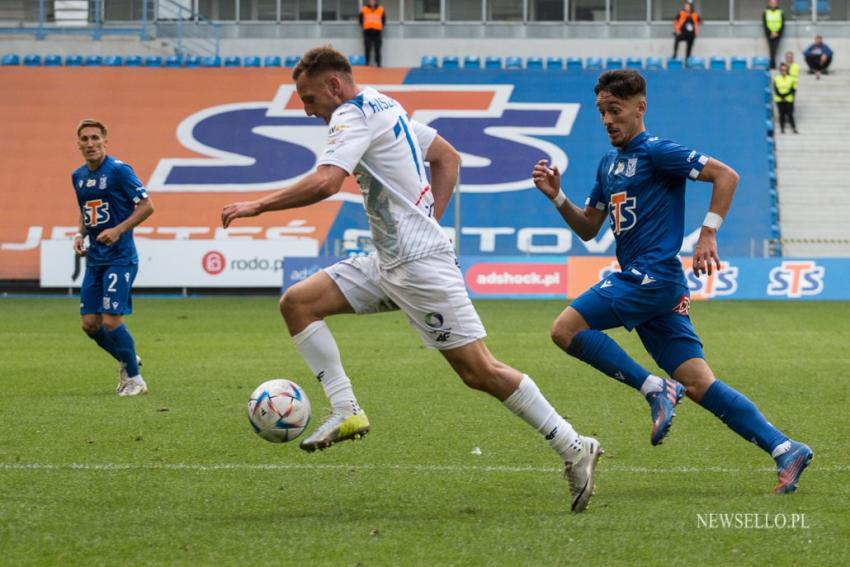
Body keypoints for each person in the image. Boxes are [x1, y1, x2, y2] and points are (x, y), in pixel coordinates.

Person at [221, 46, 603, 513]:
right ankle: (345, 409)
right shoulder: (384, 104)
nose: (307, 110)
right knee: (298, 303)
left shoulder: (350, 116)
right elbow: (448, 156)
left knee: (478, 370)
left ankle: (572, 444)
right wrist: (429, 219)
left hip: (418, 266)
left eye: (309, 98)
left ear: (335, 87)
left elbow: (325, 182)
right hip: (390, 260)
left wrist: (255, 206)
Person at [531, 70, 812, 495]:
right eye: (602, 111)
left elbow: (727, 176)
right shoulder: (609, 164)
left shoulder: (658, 152)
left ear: (640, 108)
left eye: (616, 110)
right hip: (656, 289)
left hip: (653, 276)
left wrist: (709, 231)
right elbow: (590, 227)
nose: (608, 119)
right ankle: (785, 448)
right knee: (700, 383)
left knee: (565, 329)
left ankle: (655, 388)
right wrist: (556, 197)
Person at [72, 119, 154, 396]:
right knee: (90, 325)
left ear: (106, 141)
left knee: (110, 321)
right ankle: (128, 358)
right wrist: (80, 233)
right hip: (95, 258)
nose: (90, 143)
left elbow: (147, 206)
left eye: (95, 138)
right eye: (85, 139)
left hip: (120, 257)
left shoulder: (119, 171)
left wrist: (118, 230)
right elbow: (88, 212)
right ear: (78, 144)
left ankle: (135, 380)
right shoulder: (78, 176)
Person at [359, 0, 385, 67]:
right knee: (367, 48)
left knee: (377, 48)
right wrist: (363, 26)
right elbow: (360, 19)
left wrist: (381, 26)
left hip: (377, 32)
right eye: (370, 1)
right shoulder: (364, 9)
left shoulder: (380, 9)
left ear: (376, 1)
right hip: (367, 32)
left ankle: (378, 63)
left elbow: (383, 19)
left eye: (373, 1)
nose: (372, 2)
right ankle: (367, 63)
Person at [774, 62, 798, 134]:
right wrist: (781, 96)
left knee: (790, 113)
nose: (783, 71)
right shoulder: (776, 78)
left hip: (788, 98)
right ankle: (782, 128)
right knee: (781, 114)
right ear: (780, 70)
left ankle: (794, 128)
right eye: (782, 70)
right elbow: (775, 89)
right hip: (779, 98)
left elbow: (793, 89)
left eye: (785, 70)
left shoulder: (791, 79)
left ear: (787, 70)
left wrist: (785, 95)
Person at [763, 0, 784, 70]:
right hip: (769, 34)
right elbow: (765, 24)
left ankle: (772, 64)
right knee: (771, 49)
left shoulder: (780, 12)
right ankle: (773, 64)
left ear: (777, 3)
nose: (773, 4)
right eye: (772, 3)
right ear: (769, 3)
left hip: (778, 34)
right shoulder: (766, 12)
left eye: (774, 3)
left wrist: (777, 32)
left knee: (775, 49)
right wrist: (771, 33)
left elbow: (782, 24)